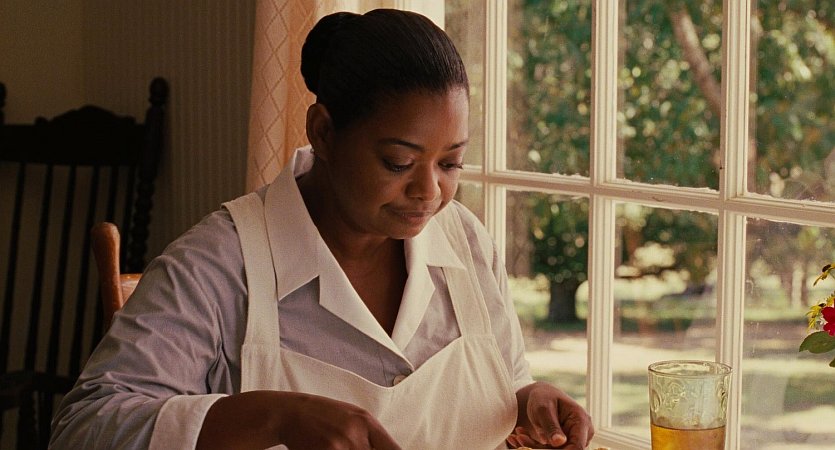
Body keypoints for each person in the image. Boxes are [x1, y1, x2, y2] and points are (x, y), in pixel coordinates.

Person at [50, 8, 593, 450]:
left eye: (450, 163)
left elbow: (506, 383)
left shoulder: (466, 241)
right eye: (399, 163)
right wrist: (274, 417)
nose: (430, 192)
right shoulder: (217, 265)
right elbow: (82, 429)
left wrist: (530, 400)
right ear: (324, 132)